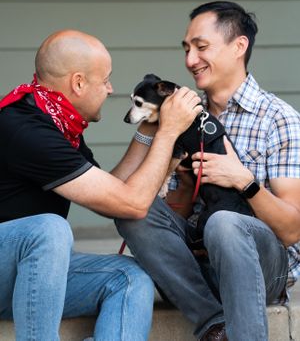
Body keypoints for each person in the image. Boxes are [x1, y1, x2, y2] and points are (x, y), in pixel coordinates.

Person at [0, 29, 202, 341]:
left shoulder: (56, 121)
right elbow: (131, 204)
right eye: (105, 79)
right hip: (8, 267)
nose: (110, 89)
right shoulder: (24, 128)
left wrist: (150, 128)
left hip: (30, 274)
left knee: (130, 277)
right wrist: (169, 133)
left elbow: (111, 190)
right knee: (49, 230)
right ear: (78, 82)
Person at [115, 1, 300, 341]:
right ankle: (215, 325)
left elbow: (292, 230)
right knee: (132, 209)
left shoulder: (278, 118)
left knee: (224, 222)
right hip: (196, 270)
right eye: (186, 49)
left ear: (238, 47)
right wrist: (183, 179)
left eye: (201, 47)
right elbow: (161, 212)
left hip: (263, 269)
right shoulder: (179, 114)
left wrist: (244, 181)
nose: (189, 61)